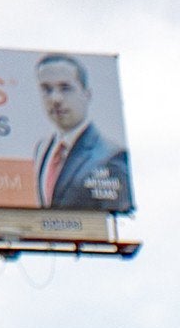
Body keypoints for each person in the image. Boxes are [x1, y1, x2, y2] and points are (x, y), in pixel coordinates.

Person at [33, 55, 132, 214]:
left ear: (87, 94)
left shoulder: (111, 156)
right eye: (46, 89)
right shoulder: (42, 148)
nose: (55, 99)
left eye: (65, 88)